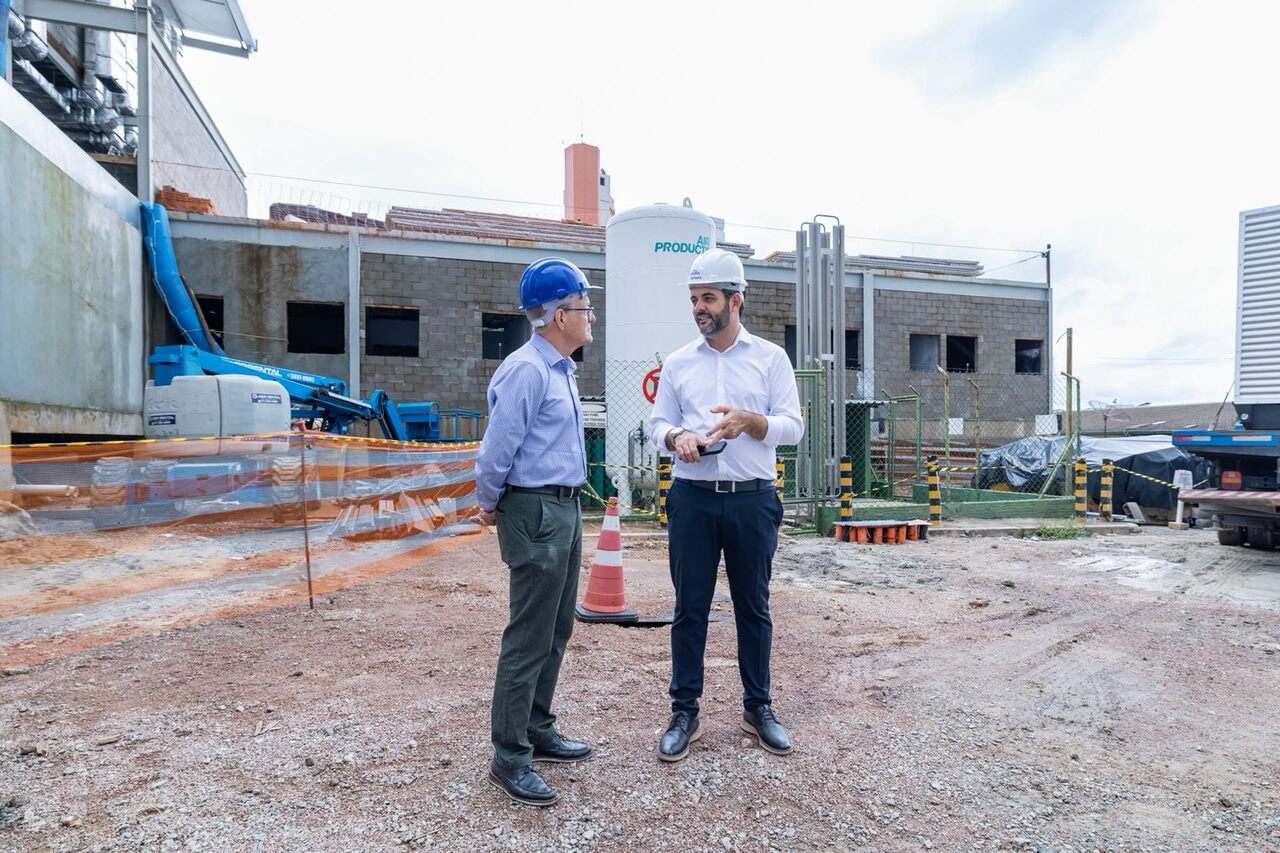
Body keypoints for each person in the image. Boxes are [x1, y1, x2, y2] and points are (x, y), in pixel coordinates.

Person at [648, 248, 804, 762]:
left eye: (709, 298)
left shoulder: (770, 358)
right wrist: (678, 437)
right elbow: (657, 424)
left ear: (736, 301)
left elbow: (793, 427)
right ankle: (684, 712)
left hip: (751, 500)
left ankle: (758, 708)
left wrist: (751, 422)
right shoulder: (678, 363)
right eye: (695, 298)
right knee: (689, 608)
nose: (699, 307)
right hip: (692, 499)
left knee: (753, 608)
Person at [474, 257, 599, 807]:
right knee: (529, 635)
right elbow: (497, 448)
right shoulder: (527, 371)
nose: (591, 315)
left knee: (555, 628)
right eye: (584, 306)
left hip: (563, 508)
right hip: (536, 509)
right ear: (557, 315)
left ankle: (537, 728)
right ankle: (509, 756)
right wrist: (488, 503)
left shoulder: (560, 370)